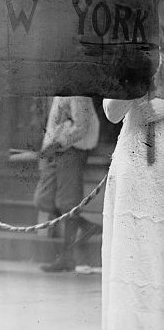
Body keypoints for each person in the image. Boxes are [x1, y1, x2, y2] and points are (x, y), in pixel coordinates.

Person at [101, 50, 164, 330]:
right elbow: (111, 112)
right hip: (139, 163)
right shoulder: (130, 54)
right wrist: (135, 78)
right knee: (137, 252)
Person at [35, 96, 101, 273]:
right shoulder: (59, 87)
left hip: (71, 150)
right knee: (44, 199)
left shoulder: (77, 89)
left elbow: (81, 126)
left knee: (67, 203)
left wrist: (58, 144)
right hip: (54, 150)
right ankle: (87, 226)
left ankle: (66, 258)